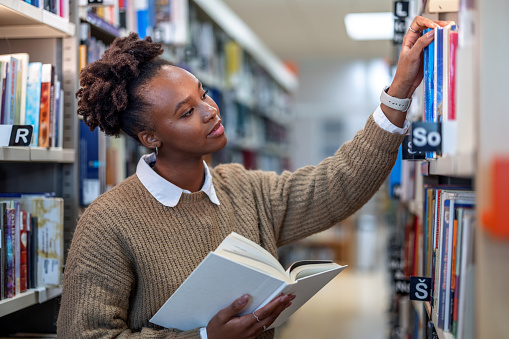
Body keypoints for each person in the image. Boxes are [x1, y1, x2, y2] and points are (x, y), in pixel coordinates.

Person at [57, 16, 451, 339]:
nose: (211, 110)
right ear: (150, 137)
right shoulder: (107, 222)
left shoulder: (243, 189)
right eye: (186, 112)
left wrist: (399, 92)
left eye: (204, 94)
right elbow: (87, 335)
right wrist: (205, 338)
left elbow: (339, 184)